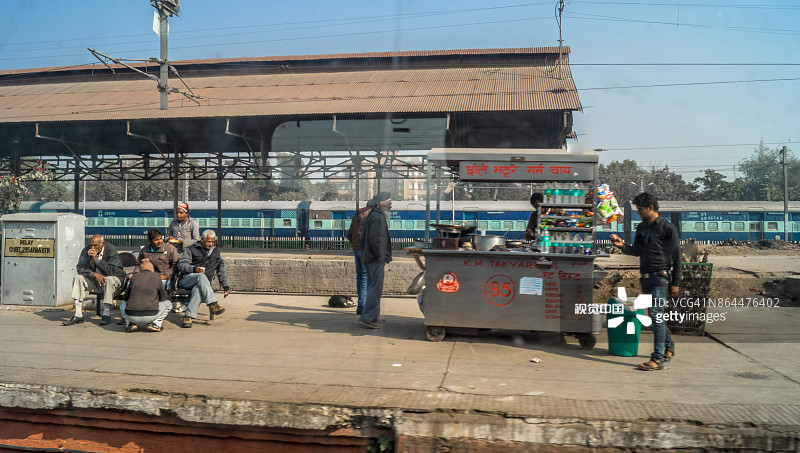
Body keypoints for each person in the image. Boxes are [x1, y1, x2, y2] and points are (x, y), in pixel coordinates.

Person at [609, 192, 681, 371]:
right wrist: (622, 246)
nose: (638, 212)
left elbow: (677, 257)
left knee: (656, 314)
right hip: (646, 278)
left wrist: (676, 282)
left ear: (650, 208)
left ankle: (657, 358)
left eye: (640, 209)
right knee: (655, 315)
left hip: (660, 277)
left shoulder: (668, 228)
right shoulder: (641, 228)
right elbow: (637, 251)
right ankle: (669, 347)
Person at [63, 234, 125, 326]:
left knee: (108, 279)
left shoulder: (111, 250)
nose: (92, 247)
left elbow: (112, 271)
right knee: (78, 278)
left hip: (113, 281)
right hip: (96, 281)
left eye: (95, 245)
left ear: (102, 244)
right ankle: (78, 314)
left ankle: (106, 314)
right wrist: (94, 274)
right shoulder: (86, 250)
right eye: (91, 245)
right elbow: (80, 268)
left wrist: (96, 259)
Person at [176, 229, 230, 328]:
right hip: (187, 279)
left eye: (212, 242)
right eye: (208, 241)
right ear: (202, 239)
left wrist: (226, 286)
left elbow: (221, 271)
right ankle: (213, 304)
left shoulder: (216, 253)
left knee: (198, 289)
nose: (210, 244)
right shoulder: (191, 249)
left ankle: (188, 317)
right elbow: (181, 265)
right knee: (201, 276)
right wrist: (194, 269)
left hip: (203, 284)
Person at [358, 192, 392, 329]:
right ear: (381, 203)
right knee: (375, 288)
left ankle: (374, 317)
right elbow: (376, 239)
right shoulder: (378, 217)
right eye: (389, 203)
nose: (391, 206)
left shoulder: (372, 214)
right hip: (375, 258)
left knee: (373, 287)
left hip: (369, 256)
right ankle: (367, 318)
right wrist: (380, 255)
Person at [120, 259, 171, 332]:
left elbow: (126, 297)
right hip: (151, 315)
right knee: (168, 303)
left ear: (141, 269)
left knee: (122, 305)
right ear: (152, 269)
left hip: (131, 315)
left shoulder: (134, 277)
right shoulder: (157, 278)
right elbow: (163, 297)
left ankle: (130, 324)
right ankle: (155, 324)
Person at [346, 200, 376, 315]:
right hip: (365, 251)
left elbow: (349, 234)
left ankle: (361, 305)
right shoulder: (371, 216)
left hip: (356, 250)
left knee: (360, 278)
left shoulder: (356, 215)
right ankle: (362, 306)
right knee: (365, 278)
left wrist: (355, 245)